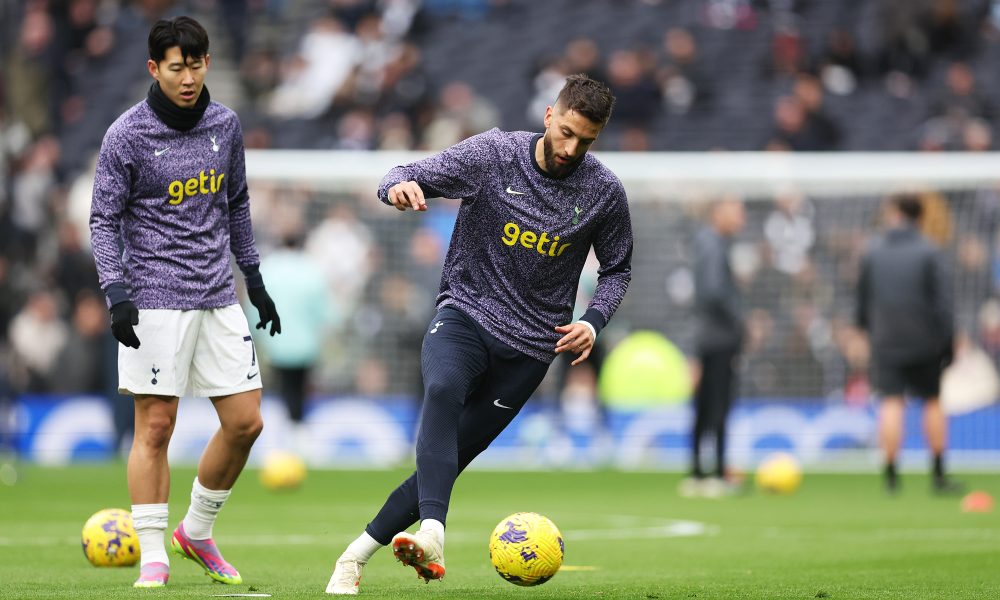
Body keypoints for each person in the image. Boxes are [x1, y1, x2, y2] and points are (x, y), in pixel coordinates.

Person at [325, 74, 632, 595]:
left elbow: (618, 268)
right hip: (466, 314)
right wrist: (397, 188)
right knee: (442, 389)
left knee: (449, 459)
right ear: (549, 116)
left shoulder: (602, 191)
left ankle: (353, 558)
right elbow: (402, 171)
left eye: (586, 140)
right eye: (566, 132)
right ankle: (435, 535)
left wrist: (593, 321)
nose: (571, 148)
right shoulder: (494, 155)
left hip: (533, 348)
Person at [89, 16, 280, 588]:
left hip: (218, 295)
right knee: (155, 428)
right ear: (154, 68)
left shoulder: (226, 123)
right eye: (177, 67)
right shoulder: (127, 134)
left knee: (246, 423)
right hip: (153, 298)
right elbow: (103, 218)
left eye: (197, 65)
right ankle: (152, 556)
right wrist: (116, 290)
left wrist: (255, 277)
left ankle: (195, 531)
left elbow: (237, 203)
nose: (189, 77)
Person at [856, 194, 960, 495]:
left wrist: (865, 330)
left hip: (885, 338)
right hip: (924, 340)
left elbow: (862, 300)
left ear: (895, 213)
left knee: (890, 402)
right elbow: (943, 303)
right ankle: (938, 475)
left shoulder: (873, 251)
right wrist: (948, 339)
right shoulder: (930, 251)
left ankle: (891, 477)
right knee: (933, 400)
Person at [680, 197, 746, 499]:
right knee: (717, 403)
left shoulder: (709, 242)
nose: (741, 217)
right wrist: (740, 321)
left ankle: (698, 472)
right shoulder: (713, 243)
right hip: (717, 338)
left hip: (706, 336)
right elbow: (714, 292)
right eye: (736, 210)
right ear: (719, 213)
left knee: (705, 404)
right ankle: (716, 473)